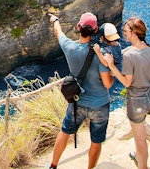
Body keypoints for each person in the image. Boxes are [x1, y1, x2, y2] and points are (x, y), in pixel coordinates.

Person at [48, 12, 114, 169]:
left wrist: (55, 20)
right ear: (96, 29)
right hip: (99, 104)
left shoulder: (70, 47)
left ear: (78, 27)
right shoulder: (101, 55)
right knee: (96, 141)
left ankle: (53, 165)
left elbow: (59, 32)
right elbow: (107, 84)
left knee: (64, 132)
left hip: (77, 103)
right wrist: (112, 75)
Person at [93, 17, 150, 169]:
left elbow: (127, 83)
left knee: (140, 140)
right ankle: (140, 134)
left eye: (125, 31)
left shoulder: (129, 56)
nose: (123, 33)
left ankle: (142, 165)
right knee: (140, 126)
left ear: (134, 33)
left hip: (137, 101)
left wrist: (111, 65)